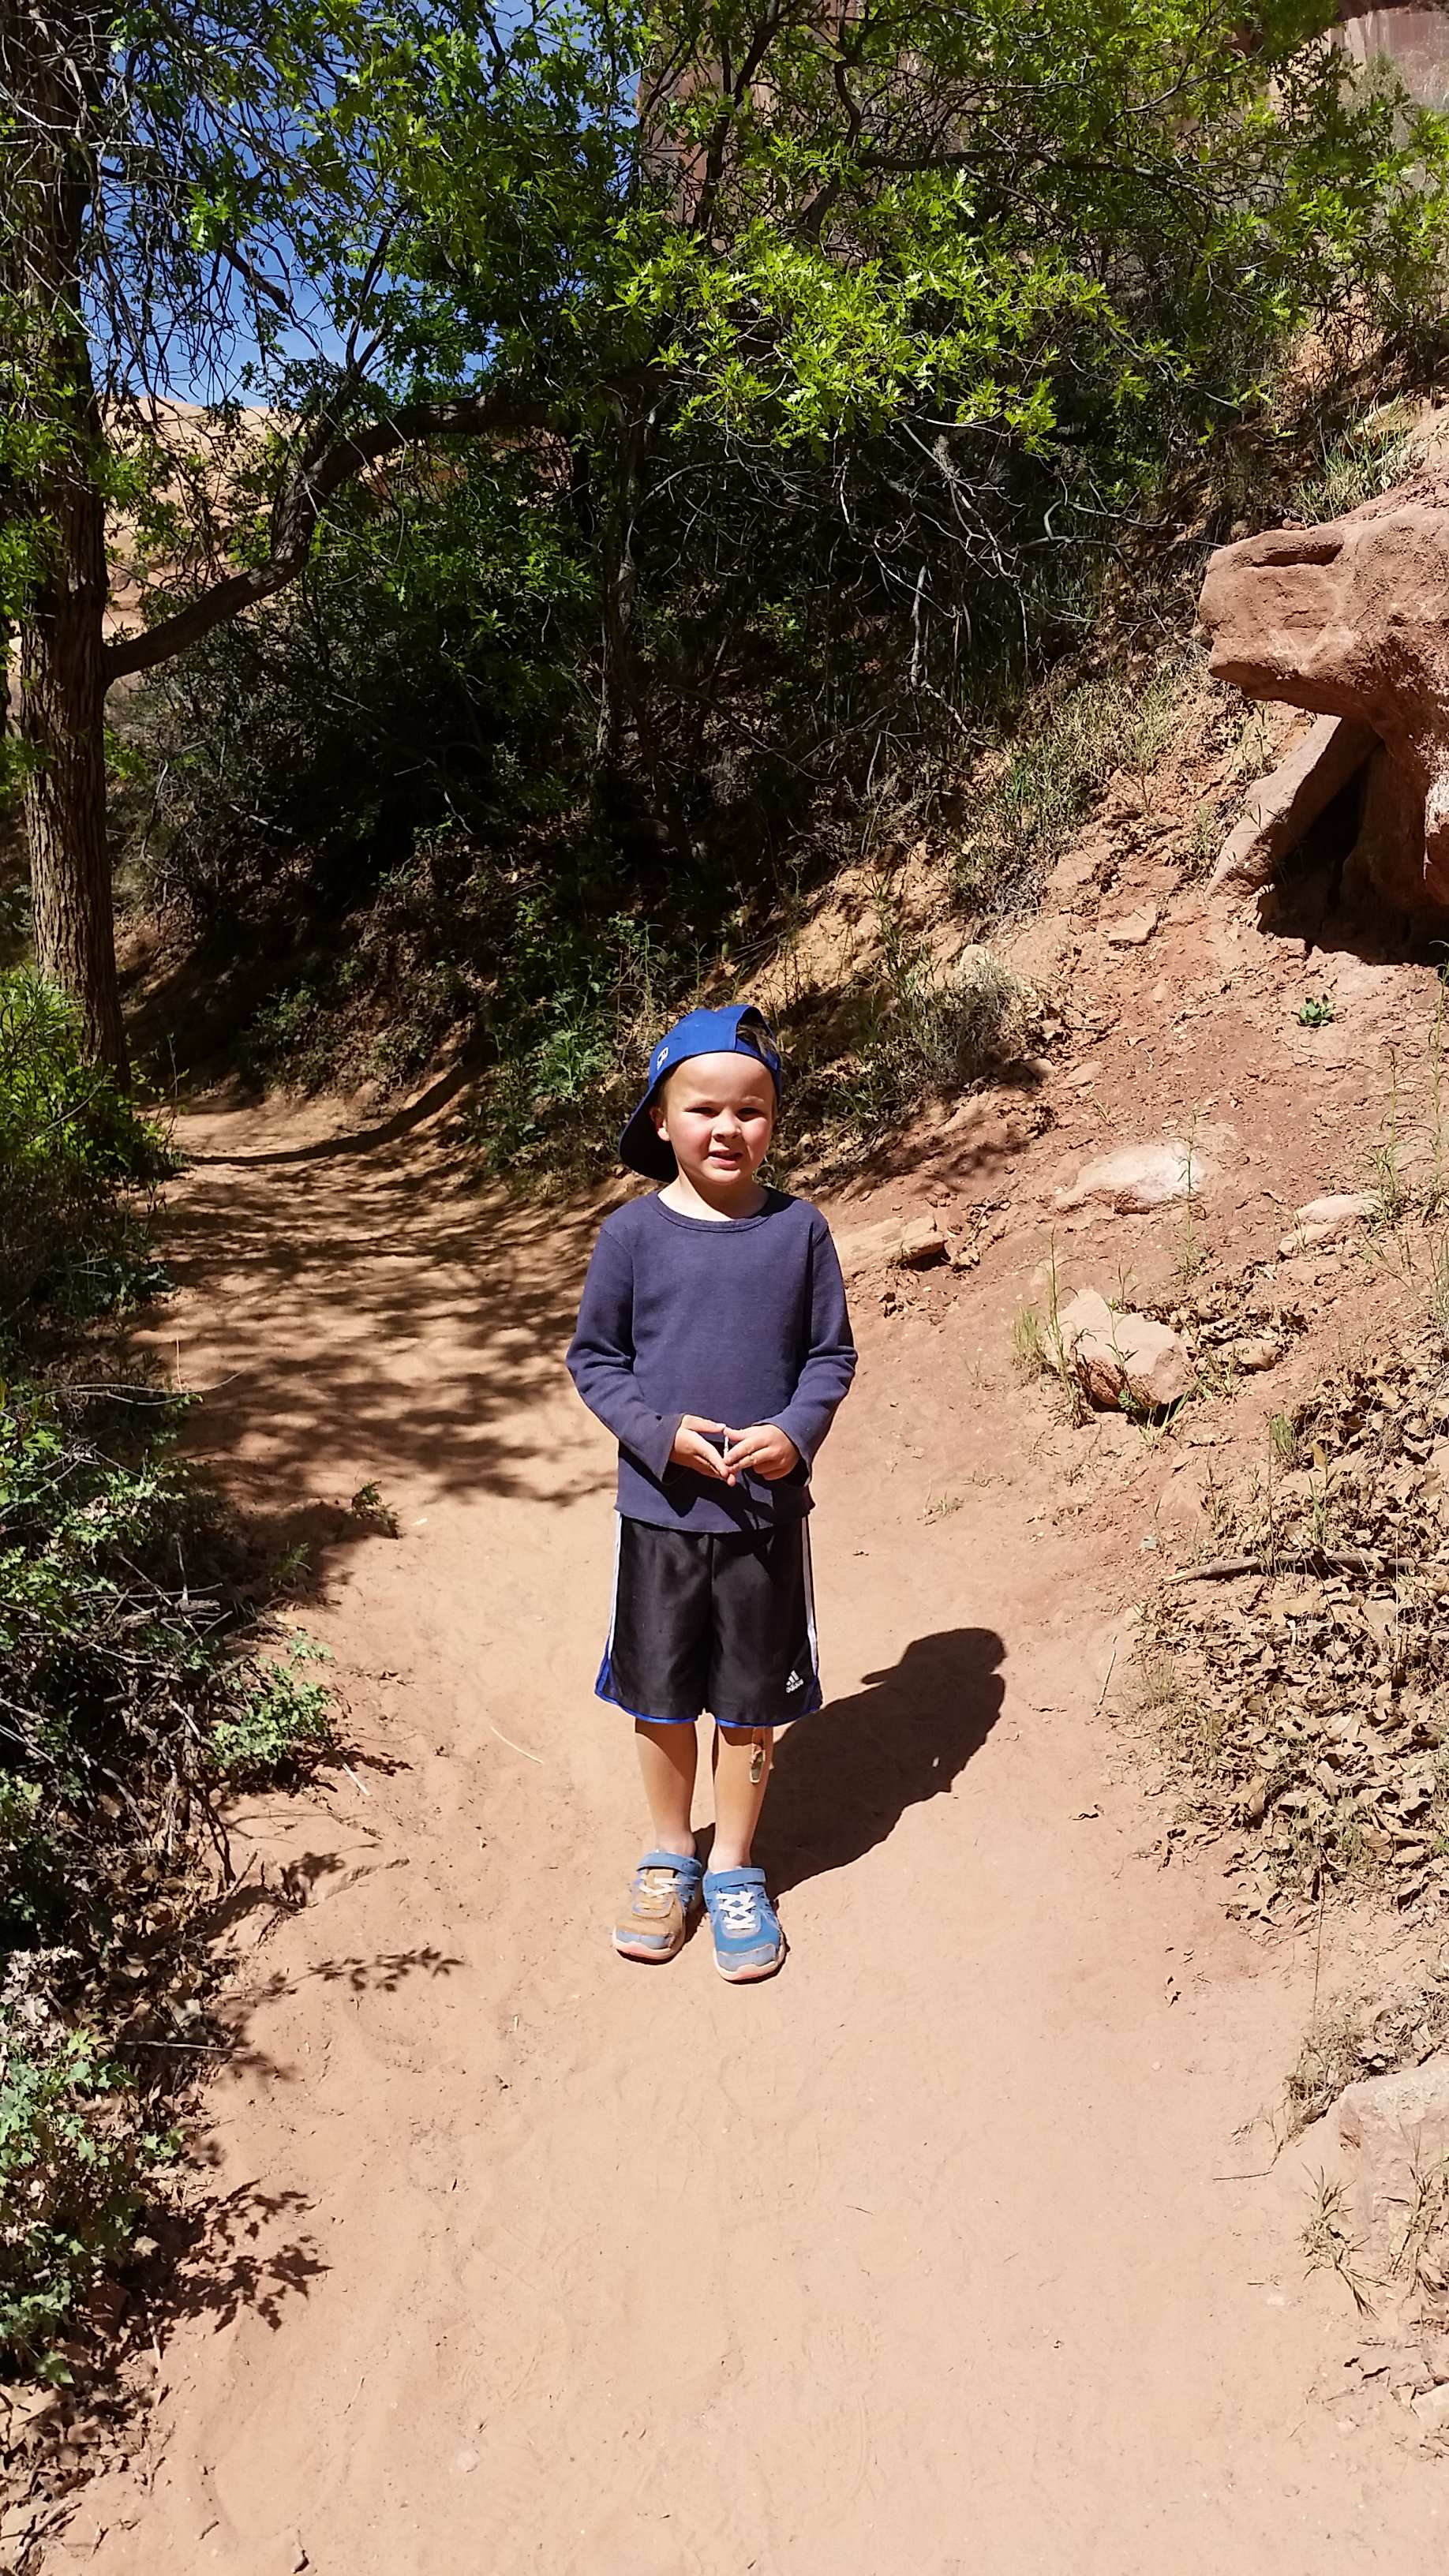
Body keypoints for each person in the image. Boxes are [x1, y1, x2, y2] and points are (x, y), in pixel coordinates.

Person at [566, 1003, 857, 1982]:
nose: (728, 1128)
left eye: (753, 1110)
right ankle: (669, 1853)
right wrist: (660, 1437)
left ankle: (732, 1866)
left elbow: (829, 1357)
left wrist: (793, 1434)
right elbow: (597, 1361)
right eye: (703, 1109)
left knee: (747, 1706)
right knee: (659, 1698)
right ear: (660, 1119)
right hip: (660, 1512)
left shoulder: (800, 1232)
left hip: (765, 1520)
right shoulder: (632, 1237)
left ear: (774, 1120)